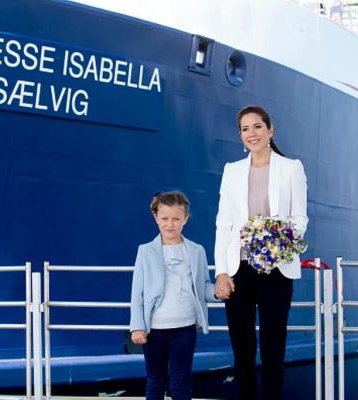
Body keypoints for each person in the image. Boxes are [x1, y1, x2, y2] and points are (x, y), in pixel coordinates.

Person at [213, 105, 308, 400]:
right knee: (242, 352)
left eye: (257, 127)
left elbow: (300, 220)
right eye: (245, 129)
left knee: (272, 351)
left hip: (276, 269)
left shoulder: (291, 168)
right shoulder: (231, 171)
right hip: (238, 270)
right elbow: (223, 225)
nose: (251, 133)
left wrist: (274, 245)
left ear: (270, 130)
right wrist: (221, 272)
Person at [130, 191, 216, 400]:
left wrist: (217, 292)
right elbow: (137, 292)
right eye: (164, 218)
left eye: (176, 218)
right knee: (155, 382)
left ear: (185, 219)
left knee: (181, 383)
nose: (170, 224)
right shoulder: (145, 251)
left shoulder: (197, 251)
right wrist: (137, 326)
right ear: (156, 218)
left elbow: (203, 286)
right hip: (154, 330)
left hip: (185, 328)